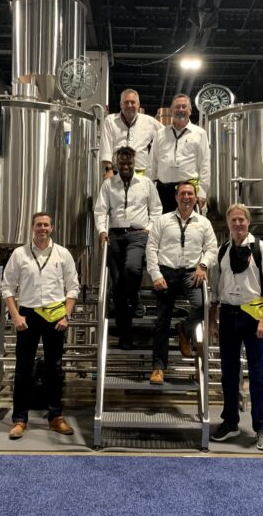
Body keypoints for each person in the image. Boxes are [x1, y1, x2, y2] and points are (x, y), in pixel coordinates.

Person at [1, 212, 80, 440]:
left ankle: (55, 416)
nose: (42, 228)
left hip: (56, 317)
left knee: (55, 369)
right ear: (32, 227)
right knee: (23, 369)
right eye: (38, 225)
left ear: (52, 228)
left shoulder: (62, 254)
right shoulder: (20, 254)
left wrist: (66, 316)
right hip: (27, 316)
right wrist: (15, 316)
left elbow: (73, 287)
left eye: (46, 225)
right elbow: (7, 287)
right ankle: (19, 419)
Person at [208, 204, 263, 451]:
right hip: (229, 314)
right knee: (228, 373)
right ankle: (230, 421)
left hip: (253, 314)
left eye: (241, 220)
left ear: (248, 223)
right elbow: (216, 289)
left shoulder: (262, 249)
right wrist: (213, 319)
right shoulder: (223, 251)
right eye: (233, 220)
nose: (237, 224)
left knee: (257, 374)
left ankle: (262, 427)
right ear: (228, 224)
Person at [146, 182, 217, 384]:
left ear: (195, 197)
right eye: (182, 193)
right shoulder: (162, 221)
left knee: (202, 305)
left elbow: (212, 248)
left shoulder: (203, 223)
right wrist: (156, 274)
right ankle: (158, 368)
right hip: (166, 273)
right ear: (176, 197)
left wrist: (203, 265)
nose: (186, 196)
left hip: (191, 273)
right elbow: (151, 248)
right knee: (162, 321)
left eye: (190, 193)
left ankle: (184, 330)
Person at [95, 146, 162, 349]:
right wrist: (101, 231)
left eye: (129, 163)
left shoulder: (146, 183)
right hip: (114, 236)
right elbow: (100, 210)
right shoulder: (108, 185)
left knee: (132, 268)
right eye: (122, 163)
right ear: (116, 163)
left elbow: (156, 209)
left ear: (135, 163)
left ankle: (135, 298)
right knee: (118, 286)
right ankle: (125, 336)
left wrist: (149, 229)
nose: (126, 166)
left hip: (137, 235)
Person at [148, 93, 211, 213]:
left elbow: (205, 165)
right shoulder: (160, 134)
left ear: (190, 111)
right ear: (171, 111)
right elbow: (152, 164)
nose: (180, 110)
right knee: (165, 228)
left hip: (188, 192)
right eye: (177, 107)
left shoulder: (200, 133)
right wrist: (149, 191)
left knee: (189, 229)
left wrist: (202, 192)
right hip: (163, 192)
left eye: (184, 107)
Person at [98, 89, 164, 179]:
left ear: (138, 105)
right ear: (121, 105)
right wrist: (108, 170)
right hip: (117, 173)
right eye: (126, 102)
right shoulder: (110, 121)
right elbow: (106, 148)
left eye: (132, 102)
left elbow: (166, 136)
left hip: (141, 174)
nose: (129, 105)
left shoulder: (149, 122)